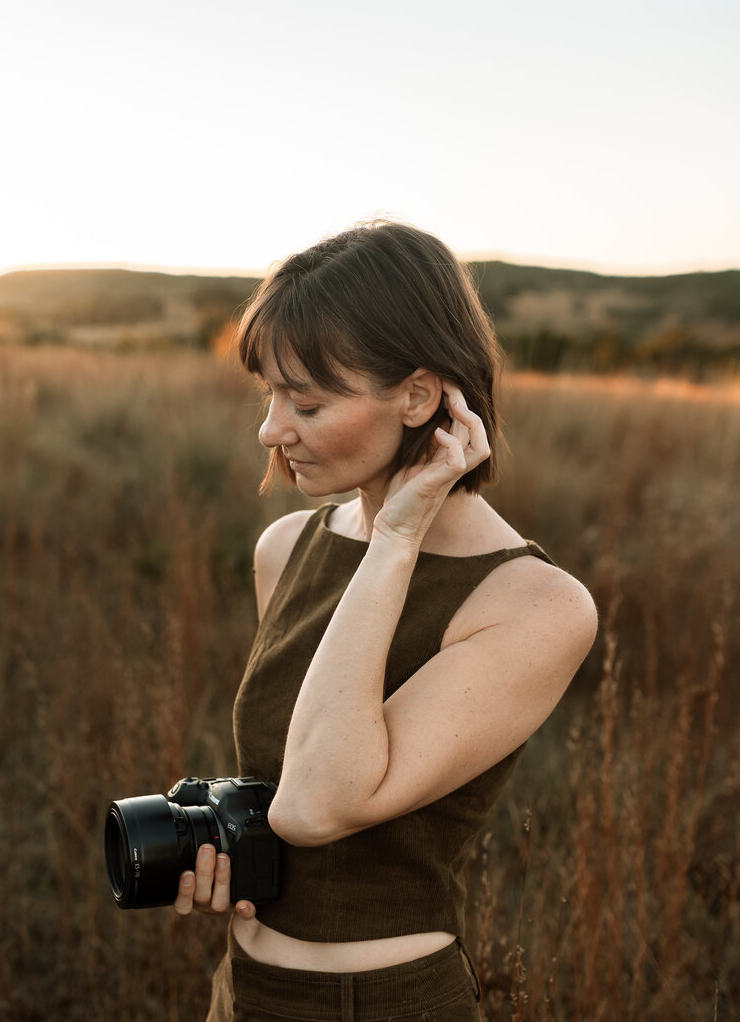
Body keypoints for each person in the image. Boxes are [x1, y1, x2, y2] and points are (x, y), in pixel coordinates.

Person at [174, 221, 598, 1021]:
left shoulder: (537, 605)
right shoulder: (287, 547)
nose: (271, 430)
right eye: (268, 395)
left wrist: (397, 536)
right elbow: (286, 787)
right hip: (243, 990)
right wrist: (221, 849)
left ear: (417, 395)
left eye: (306, 401)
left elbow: (318, 805)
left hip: (384, 1004)